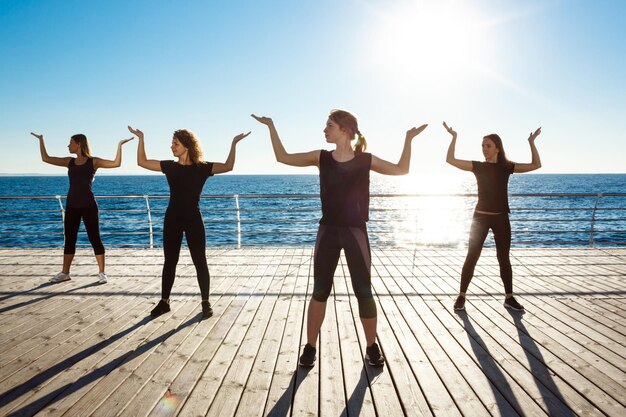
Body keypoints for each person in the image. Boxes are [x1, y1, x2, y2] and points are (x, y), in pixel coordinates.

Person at [252, 110, 427, 367]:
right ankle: (310, 347)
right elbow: (282, 157)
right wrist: (271, 126)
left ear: (344, 130)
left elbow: (402, 170)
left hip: (355, 232)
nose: (325, 130)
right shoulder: (320, 158)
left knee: (364, 292)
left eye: (329, 125)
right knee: (320, 291)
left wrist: (408, 140)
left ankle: (371, 346)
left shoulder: (365, 160)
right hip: (328, 232)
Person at [128, 125, 249, 319]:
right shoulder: (170, 166)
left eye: (175, 143)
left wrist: (234, 143)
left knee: (200, 261)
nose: (172, 146)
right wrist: (141, 138)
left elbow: (228, 166)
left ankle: (205, 302)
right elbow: (142, 162)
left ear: (187, 145)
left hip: (193, 219)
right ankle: (164, 301)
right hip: (172, 219)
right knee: (170, 261)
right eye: (172, 143)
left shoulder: (202, 168)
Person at [443, 122, 542, 312]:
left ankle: (509, 297)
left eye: (487, 145)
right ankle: (462, 296)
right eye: (482, 145)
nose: (484, 149)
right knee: (472, 257)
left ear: (497, 148)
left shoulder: (507, 167)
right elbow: (450, 159)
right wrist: (454, 137)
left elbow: (536, 165)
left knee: (503, 258)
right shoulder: (477, 167)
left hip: (501, 218)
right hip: (480, 218)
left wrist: (531, 142)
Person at [30, 132, 134, 284]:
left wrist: (119, 145)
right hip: (72, 206)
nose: (68, 145)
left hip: (89, 206)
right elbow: (46, 158)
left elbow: (115, 163)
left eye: (70, 142)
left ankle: (102, 273)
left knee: (95, 239)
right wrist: (41, 140)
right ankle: (65, 273)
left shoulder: (93, 162)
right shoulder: (69, 162)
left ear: (78, 143)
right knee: (69, 240)